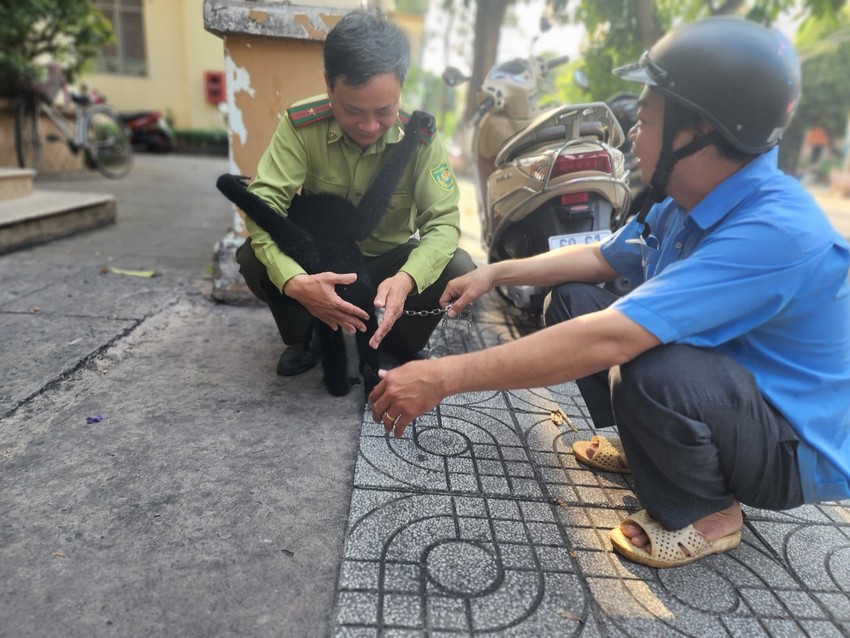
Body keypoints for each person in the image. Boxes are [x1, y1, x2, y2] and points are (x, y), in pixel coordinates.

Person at [369, 17, 850, 569]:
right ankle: (656, 447)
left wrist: (443, 377)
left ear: (698, 131)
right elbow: (603, 256)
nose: (631, 136)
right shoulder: (688, 197)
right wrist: (494, 273)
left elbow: (613, 338)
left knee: (648, 366)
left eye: (645, 119)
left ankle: (711, 511)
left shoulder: (774, 231)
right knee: (572, 299)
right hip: (734, 395)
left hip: (789, 445)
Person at [237, 9, 475, 377]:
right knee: (255, 256)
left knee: (458, 266)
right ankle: (306, 335)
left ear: (401, 87)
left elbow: (442, 222)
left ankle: (400, 340)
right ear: (329, 86)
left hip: (389, 261)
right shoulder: (302, 125)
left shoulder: (421, 138)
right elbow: (265, 204)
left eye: (384, 111)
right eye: (352, 111)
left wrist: (408, 278)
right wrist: (295, 281)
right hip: (322, 257)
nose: (369, 126)